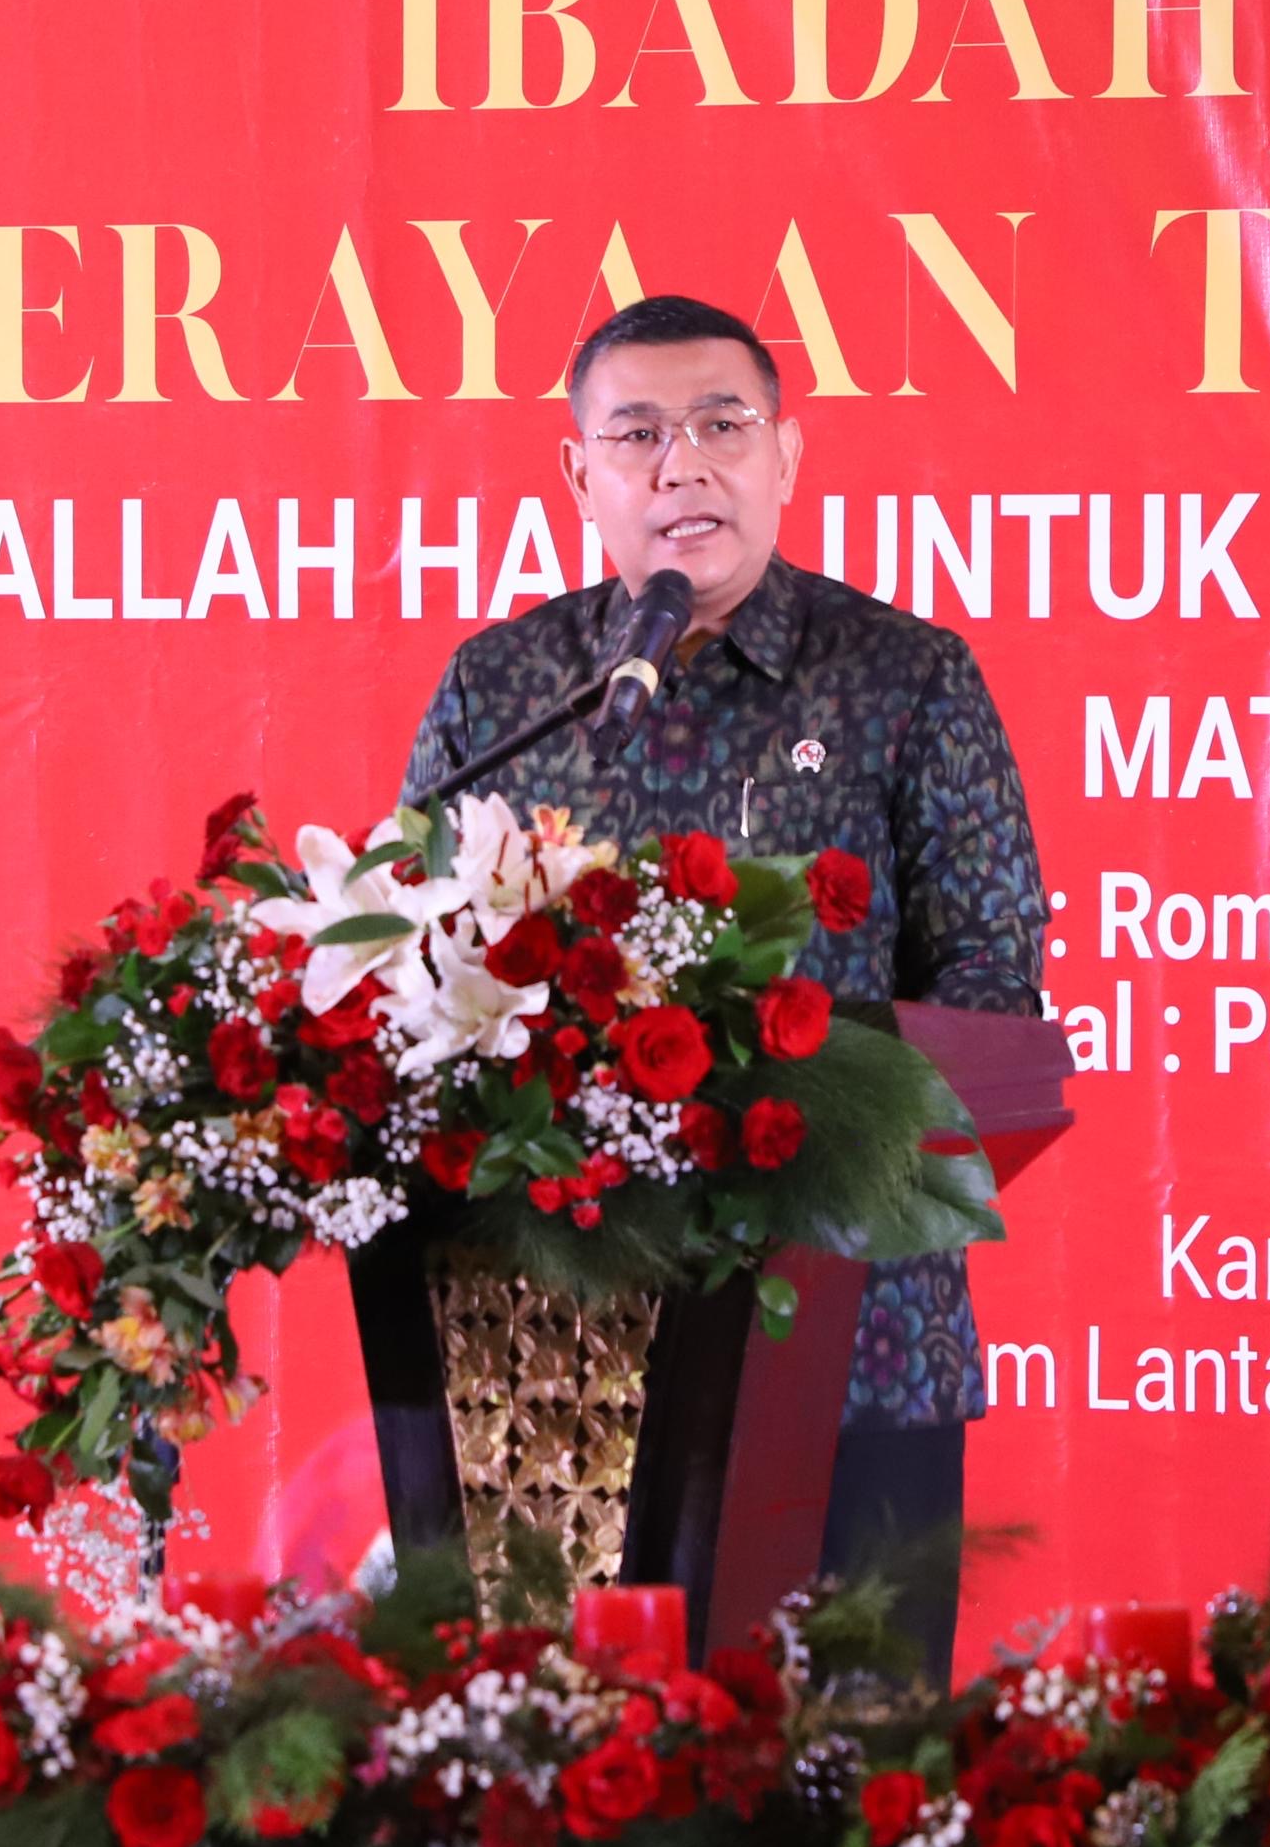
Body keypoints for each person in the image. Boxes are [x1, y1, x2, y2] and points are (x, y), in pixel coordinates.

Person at [395, 292, 1048, 1676]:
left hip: (853, 1353)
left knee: (851, 1770)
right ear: (579, 474)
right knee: (581, 1770)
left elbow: (994, 1002)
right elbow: (416, 973)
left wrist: (791, 1124)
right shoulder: (504, 690)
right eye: (637, 434)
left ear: (786, 456)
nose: (680, 465)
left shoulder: (908, 681)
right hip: (553, 1363)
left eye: (720, 425)